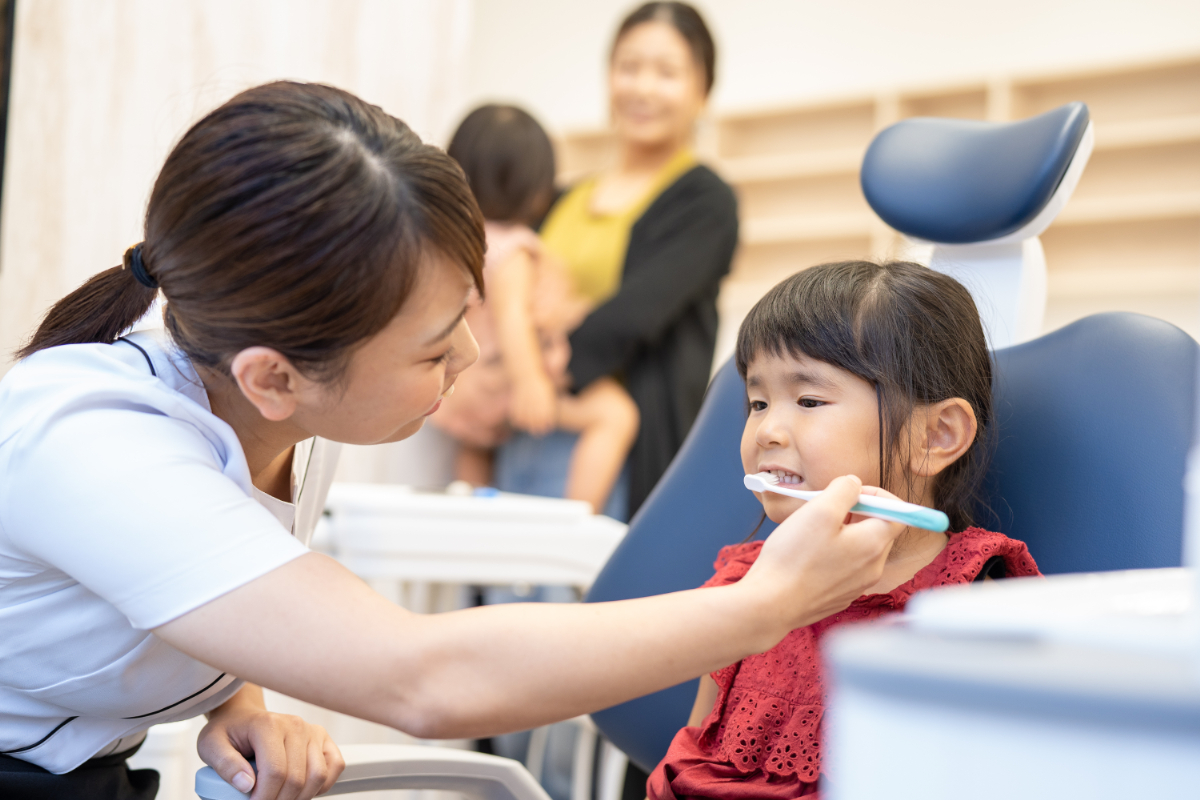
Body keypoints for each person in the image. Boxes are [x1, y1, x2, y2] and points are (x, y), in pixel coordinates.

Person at [0, 82, 906, 800]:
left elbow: (191, 580)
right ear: (274, 377)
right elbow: (423, 682)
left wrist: (238, 695)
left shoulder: (274, 400)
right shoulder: (91, 443)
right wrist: (766, 607)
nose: (472, 357)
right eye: (435, 349)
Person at [646, 261, 1044, 800]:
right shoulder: (744, 583)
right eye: (758, 402)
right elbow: (694, 760)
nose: (766, 429)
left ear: (935, 436)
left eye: (808, 401)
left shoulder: (970, 604)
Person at [495, 1, 738, 518]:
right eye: (629, 67)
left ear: (702, 90)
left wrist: (526, 369)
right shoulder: (558, 198)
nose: (643, 88)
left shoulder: (704, 201)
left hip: (624, 452)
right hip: (524, 429)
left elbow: (632, 317)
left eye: (667, 72)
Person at [432, 104, 638, 514]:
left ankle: (465, 526)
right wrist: (531, 383)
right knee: (617, 415)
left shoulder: (454, 239)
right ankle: (575, 521)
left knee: (474, 448)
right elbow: (513, 318)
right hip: (508, 385)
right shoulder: (513, 249)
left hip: (463, 390)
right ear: (536, 187)